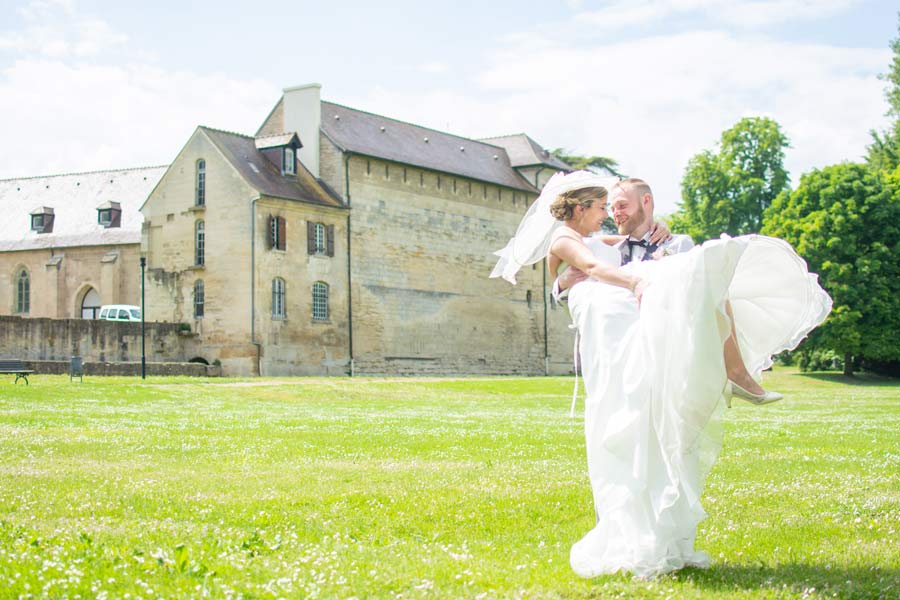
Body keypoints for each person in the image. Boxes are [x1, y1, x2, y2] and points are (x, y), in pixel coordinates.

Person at [490, 170, 832, 579]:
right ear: (580, 208)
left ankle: (732, 366)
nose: (607, 216)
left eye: (614, 207)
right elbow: (593, 267)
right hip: (610, 315)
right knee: (630, 417)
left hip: (622, 309)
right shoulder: (566, 239)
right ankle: (730, 369)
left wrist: (660, 234)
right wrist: (632, 280)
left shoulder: (596, 236)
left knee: (700, 286)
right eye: (602, 208)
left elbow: (628, 242)